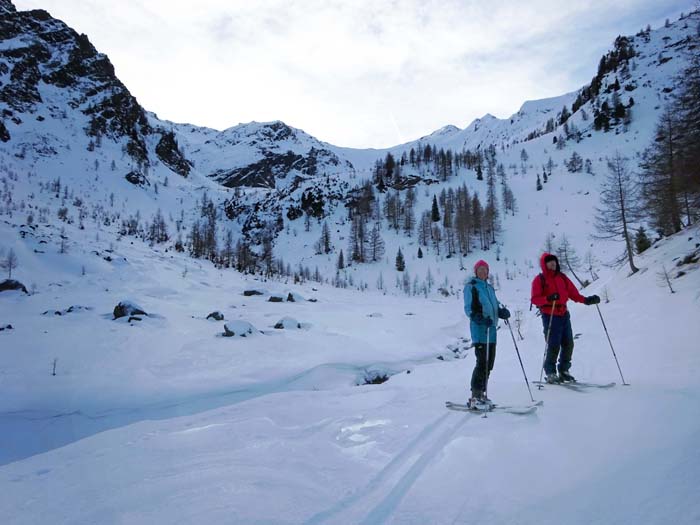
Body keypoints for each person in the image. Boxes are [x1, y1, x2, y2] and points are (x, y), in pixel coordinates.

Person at [531, 252, 600, 383]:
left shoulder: (562, 277)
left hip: (563, 313)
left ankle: (564, 370)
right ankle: (550, 372)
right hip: (550, 314)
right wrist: (548, 298)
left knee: (568, 343)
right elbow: (535, 299)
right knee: (553, 344)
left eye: (554, 261)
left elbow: (573, 293)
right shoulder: (540, 279)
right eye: (549, 261)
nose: (553, 263)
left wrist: (586, 300)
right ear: (544, 264)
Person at [463, 260, 510, 408]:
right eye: (480, 269)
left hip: (492, 331)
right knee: (482, 362)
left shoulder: (489, 288)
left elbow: (495, 305)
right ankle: (475, 395)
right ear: (476, 272)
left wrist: (502, 312)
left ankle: (482, 393)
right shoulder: (471, 287)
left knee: (489, 364)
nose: (483, 272)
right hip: (480, 331)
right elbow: (469, 309)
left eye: (485, 270)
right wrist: (481, 319)